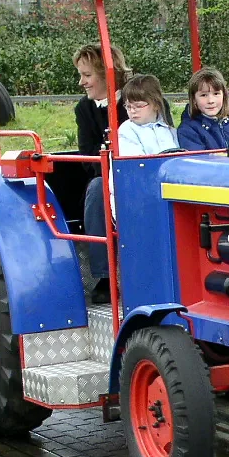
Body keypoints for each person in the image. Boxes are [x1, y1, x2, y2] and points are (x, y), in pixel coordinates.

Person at [74, 44, 130, 304]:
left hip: (138, 172)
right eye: (81, 75)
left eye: (87, 75)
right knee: (97, 188)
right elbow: (88, 153)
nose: (81, 82)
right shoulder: (84, 110)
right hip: (105, 177)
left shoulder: (139, 98)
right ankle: (104, 276)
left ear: (106, 73)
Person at [177, 67, 229, 151]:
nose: (210, 101)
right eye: (203, 95)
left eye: (216, 94)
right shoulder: (188, 131)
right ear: (194, 99)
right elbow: (197, 161)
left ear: (224, 95)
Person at [116, 74, 180, 156]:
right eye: (128, 106)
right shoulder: (127, 130)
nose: (132, 111)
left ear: (156, 105)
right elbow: (135, 160)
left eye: (139, 106)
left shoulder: (169, 129)